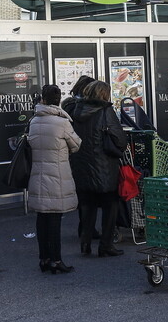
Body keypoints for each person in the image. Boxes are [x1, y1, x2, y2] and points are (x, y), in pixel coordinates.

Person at [70, 81, 127, 257]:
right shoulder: (105, 111)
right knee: (110, 205)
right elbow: (119, 139)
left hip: (81, 164)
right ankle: (106, 245)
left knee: (87, 206)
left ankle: (85, 244)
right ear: (104, 94)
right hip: (104, 166)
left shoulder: (76, 110)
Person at [28, 85, 81, 274]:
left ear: (42, 99)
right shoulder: (62, 123)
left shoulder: (34, 121)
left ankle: (44, 258)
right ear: (58, 100)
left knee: (42, 218)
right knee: (55, 219)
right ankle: (56, 260)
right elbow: (76, 145)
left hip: (38, 174)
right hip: (57, 175)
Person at [61, 75, 100, 240]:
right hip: (84, 152)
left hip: (74, 154)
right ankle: (87, 230)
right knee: (87, 194)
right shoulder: (81, 107)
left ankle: (86, 228)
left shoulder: (68, 105)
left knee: (84, 194)